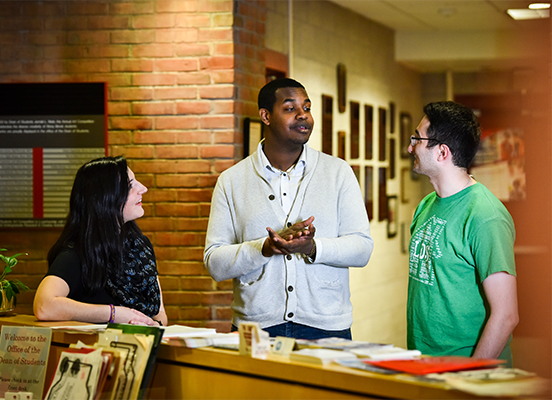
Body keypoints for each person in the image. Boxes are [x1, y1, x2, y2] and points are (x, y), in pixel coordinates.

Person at [204, 78, 374, 340]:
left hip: (326, 327)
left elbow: (362, 249)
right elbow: (215, 263)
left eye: (307, 107)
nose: (303, 115)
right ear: (266, 116)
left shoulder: (338, 173)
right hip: (256, 328)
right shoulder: (232, 181)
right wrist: (264, 248)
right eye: (290, 108)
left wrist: (312, 247)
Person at [406, 101, 519, 364]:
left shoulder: (485, 216)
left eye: (417, 139)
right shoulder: (426, 205)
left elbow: (507, 315)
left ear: (442, 152)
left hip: (468, 373)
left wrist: (470, 376)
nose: (410, 147)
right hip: (425, 366)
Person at [34, 156, 167, 326]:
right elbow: (44, 306)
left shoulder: (141, 247)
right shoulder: (77, 253)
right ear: (105, 199)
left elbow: (160, 313)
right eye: (129, 186)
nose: (143, 188)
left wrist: (152, 324)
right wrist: (113, 314)